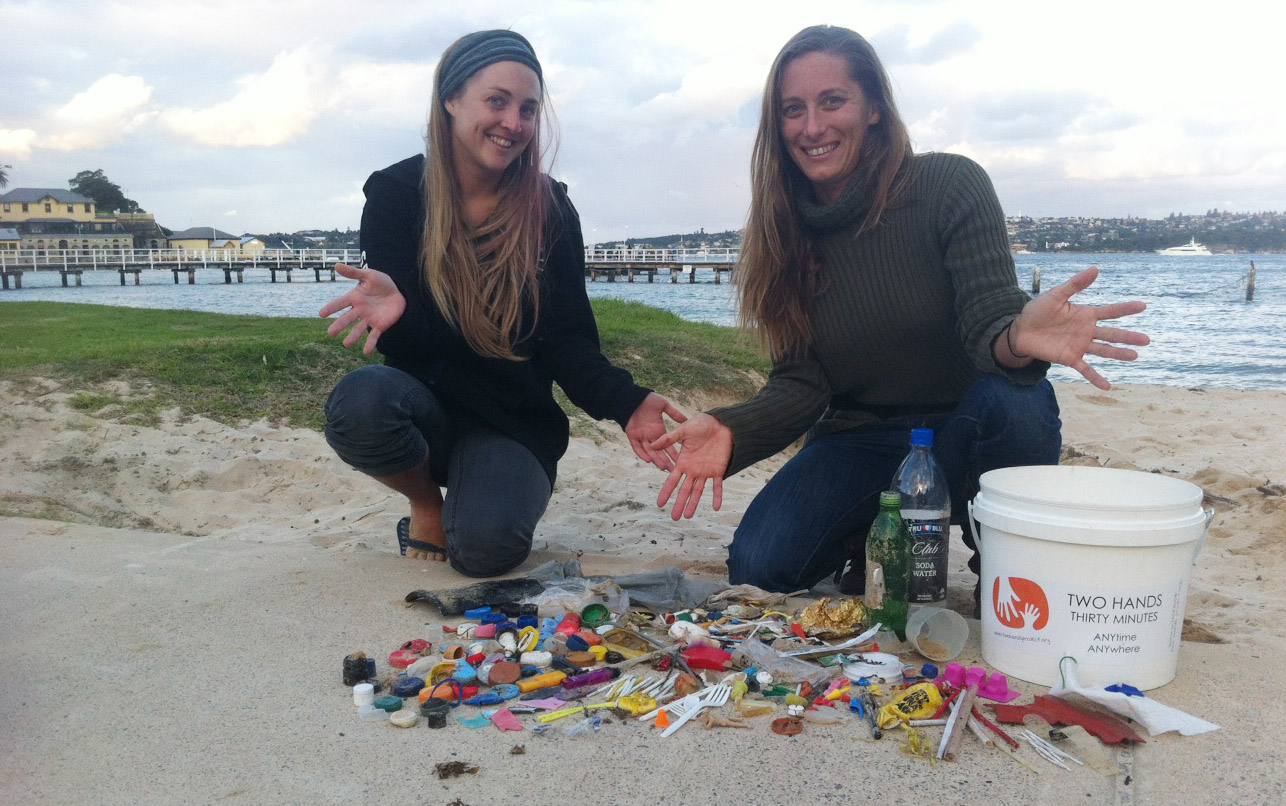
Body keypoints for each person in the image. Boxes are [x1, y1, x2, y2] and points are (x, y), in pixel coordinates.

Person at [651, 25, 1149, 600]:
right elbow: (804, 384)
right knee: (760, 567)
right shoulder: (781, 232)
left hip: (969, 424)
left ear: (874, 110)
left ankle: (1009, 560)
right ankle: (869, 538)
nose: (812, 127)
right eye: (793, 109)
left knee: (1019, 401)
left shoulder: (948, 185)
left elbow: (986, 320)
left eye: (832, 101)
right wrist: (733, 427)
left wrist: (1017, 336)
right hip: (865, 438)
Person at [320, 29, 683, 578]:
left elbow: (568, 340)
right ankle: (426, 506)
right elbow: (402, 340)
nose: (513, 123)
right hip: (428, 409)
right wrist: (401, 316)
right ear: (451, 99)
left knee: (485, 553)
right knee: (360, 403)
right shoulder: (396, 193)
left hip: (514, 421)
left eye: (528, 108)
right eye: (497, 101)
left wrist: (626, 402)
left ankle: (485, 498)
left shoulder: (550, 208)